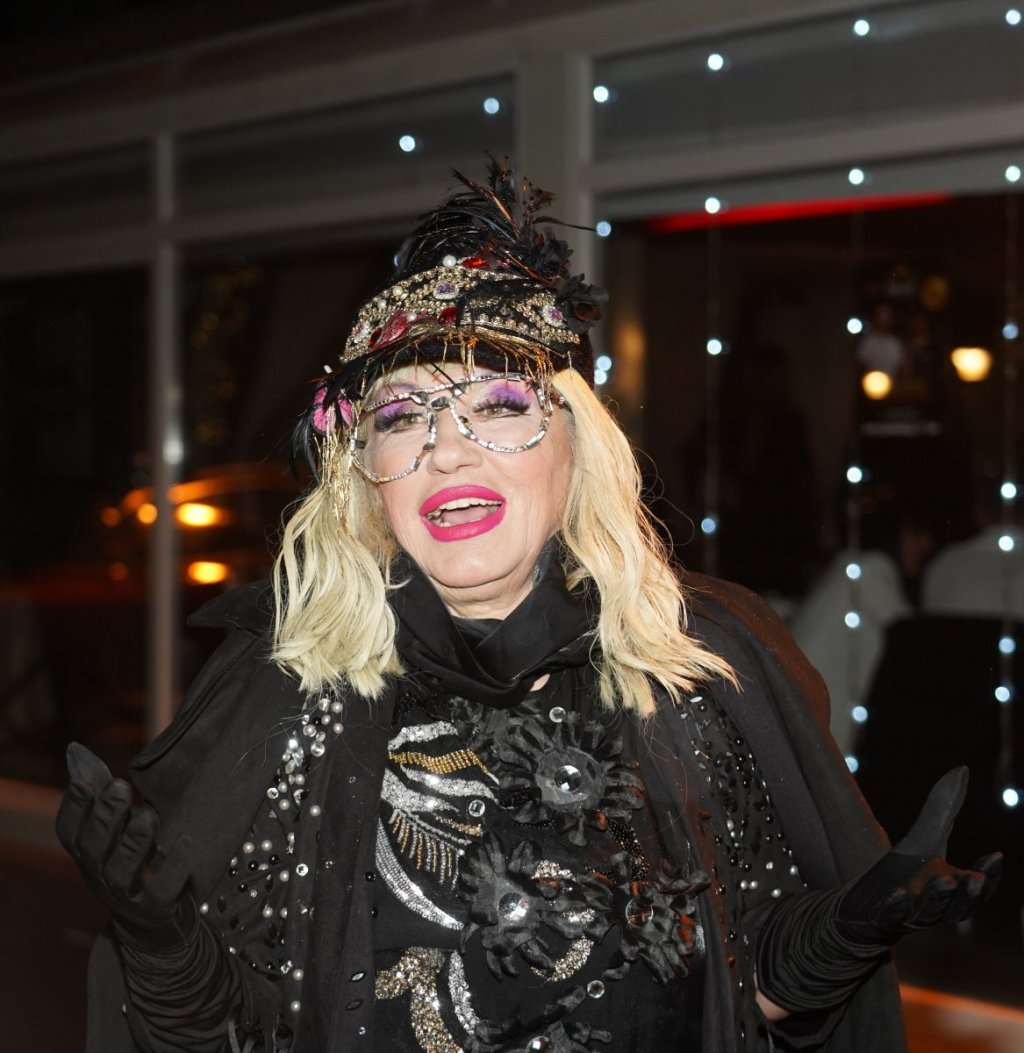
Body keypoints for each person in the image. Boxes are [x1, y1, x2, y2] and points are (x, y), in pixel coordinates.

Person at [57, 161, 1000, 1053]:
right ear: (365, 477)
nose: (446, 448)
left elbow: (737, 985)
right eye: (401, 416)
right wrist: (162, 938)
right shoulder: (293, 693)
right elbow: (247, 1030)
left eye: (500, 403)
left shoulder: (694, 669)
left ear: (577, 450)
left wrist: (848, 928)